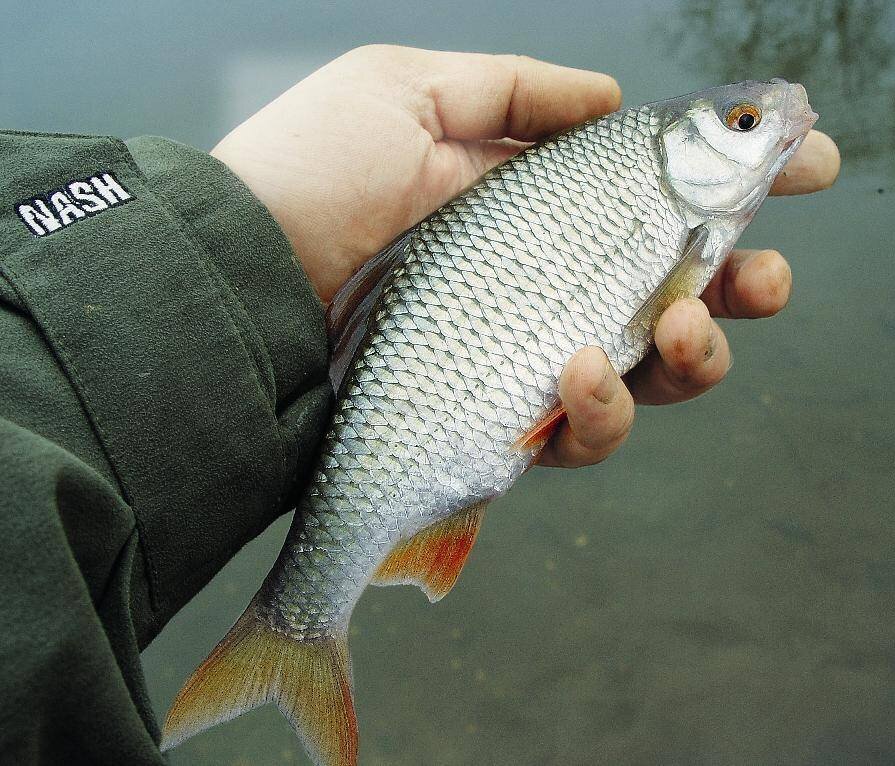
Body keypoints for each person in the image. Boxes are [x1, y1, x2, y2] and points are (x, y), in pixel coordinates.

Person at [0, 46, 839, 764]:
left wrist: (245, 256)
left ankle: (305, 623)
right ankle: (293, 632)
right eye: (744, 125)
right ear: (686, 145)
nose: (776, 118)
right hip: (439, 363)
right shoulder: (668, 207)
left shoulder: (665, 197)